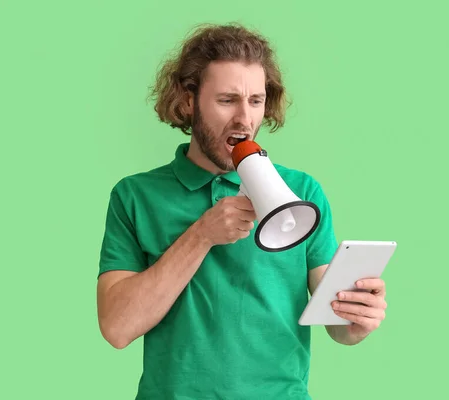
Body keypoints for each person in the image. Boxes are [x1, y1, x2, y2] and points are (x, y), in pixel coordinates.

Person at [96, 22, 387, 400]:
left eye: (255, 100)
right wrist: (201, 235)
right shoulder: (135, 196)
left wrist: (360, 318)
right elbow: (117, 328)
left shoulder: (302, 192)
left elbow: (338, 324)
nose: (244, 119)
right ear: (188, 101)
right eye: (226, 100)